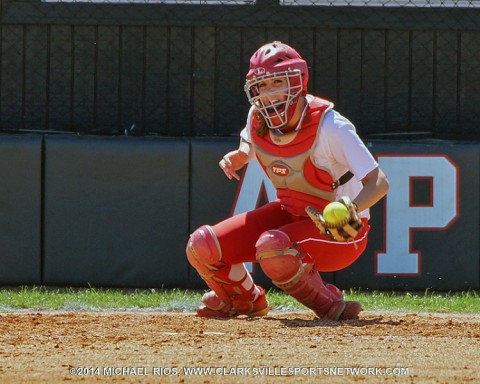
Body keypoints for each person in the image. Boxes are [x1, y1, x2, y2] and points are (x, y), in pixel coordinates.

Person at [186, 41, 389, 320]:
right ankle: (244, 300)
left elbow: (379, 182)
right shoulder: (258, 117)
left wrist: (351, 210)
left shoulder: (331, 126)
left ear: (298, 81)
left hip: (344, 231)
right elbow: (249, 141)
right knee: (202, 246)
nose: (271, 94)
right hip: (289, 216)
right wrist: (242, 155)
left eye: (278, 82)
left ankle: (329, 303)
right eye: (263, 86)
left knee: (273, 246)